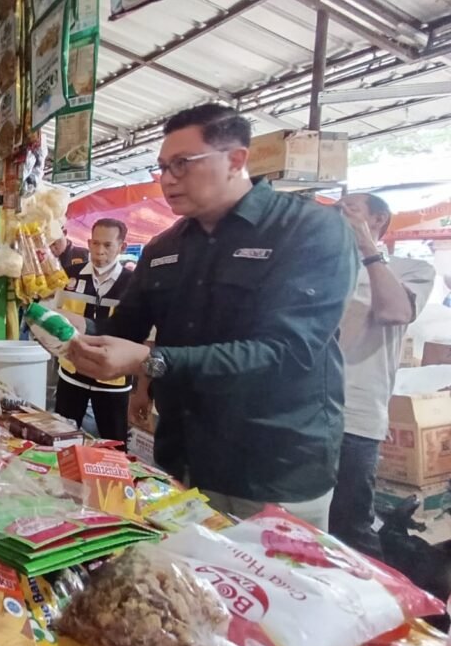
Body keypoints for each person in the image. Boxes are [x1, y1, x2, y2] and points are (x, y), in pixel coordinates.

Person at [64, 103, 357, 530]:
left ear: (236, 159)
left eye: (181, 164)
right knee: (183, 586)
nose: (167, 179)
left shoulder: (309, 231)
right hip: (183, 459)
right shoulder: (164, 249)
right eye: (162, 167)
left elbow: (287, 352)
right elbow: (121, 331)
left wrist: (149, 361)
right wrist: (76, 330)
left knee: (271, 591)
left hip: (269, 471)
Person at [329, 193, 435, 555]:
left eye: (352, 208)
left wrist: (365, 244)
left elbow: (394, 312)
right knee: (303, 518)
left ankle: (383, 603)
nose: (340, 212)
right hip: (304, 412)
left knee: (349, 526)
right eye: (337, 207)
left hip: (355, 416)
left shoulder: (412, 269)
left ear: (378, 219)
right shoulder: (323, 264)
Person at [55, 218, 133, 442]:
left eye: (107, 245)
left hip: (113, 378)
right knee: (62, 438)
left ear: (122, 247)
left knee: (114, 443)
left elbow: (144, 336)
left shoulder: (134, 284)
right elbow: (54, 313)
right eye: (95, 243)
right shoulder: (68, 275)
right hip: (72, 371)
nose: (99, 251)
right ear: (88, 243)